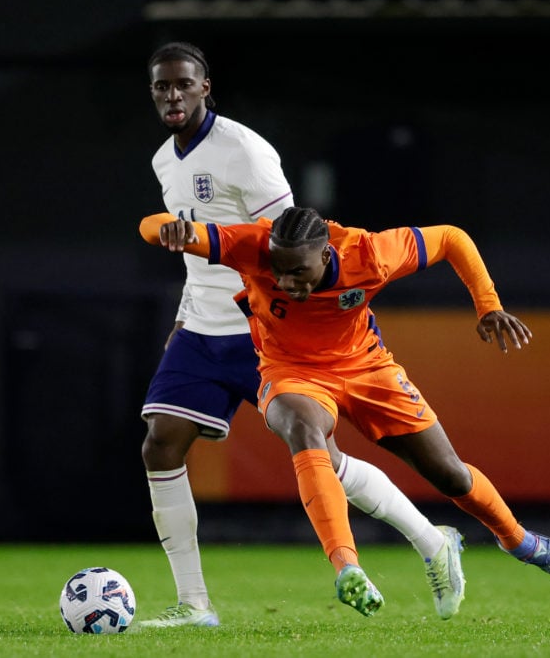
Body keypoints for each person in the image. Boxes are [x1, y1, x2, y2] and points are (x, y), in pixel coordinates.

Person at [138, 41, 464, 626]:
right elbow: (192, 256)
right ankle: (195, 606)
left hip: (264, 329)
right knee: (160, 443)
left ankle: (432, 540)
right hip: (200, 328)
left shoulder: (245, 151)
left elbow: (289, 244)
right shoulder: (165, 160)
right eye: (162, 86)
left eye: (183, 84)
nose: (173, 95)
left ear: (205, 86)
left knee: (324, 458)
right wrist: (185, 318)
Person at [139, 205, 550, 616]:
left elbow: (452, 237)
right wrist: (173, 230)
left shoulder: (370, 253)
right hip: (291, 371)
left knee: (450, 475)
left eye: (298, 272)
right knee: (301, 428)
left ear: (325, 255)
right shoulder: (251, 246)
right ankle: (347, 568)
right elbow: (150, 227)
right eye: (278, 271)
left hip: (368, 368)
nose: (286, 282)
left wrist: (488, 305)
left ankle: (521, 542)